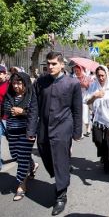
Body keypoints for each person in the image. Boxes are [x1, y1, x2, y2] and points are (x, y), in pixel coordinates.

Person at [27, 51, 82, 216]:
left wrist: (77, 132)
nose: (50, 67)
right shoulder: (40, 82)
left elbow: (77, 109)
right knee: (44, 153)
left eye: (53, 64)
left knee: (59, 159)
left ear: (62, 64)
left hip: (63, 126)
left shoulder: (72, 83)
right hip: (43, 126)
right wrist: (31, 129)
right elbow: (34, 107)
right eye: (48, 64)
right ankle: (62, 173)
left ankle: (61, 195)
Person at [4, 72, 38, 201]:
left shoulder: (31, 96)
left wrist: (22, 112)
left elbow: (35, 114)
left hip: (26, 132)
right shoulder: (9, 95)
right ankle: (32, 165)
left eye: (19, 83)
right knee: (15, 156)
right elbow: (6, 110)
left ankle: (21, 185)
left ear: (25, 83)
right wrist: (12, 110)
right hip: (11, 131)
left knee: (22, 158)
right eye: (13, 83)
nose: (16, 86)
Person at [85, 65, 109, 174]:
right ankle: (103, 153)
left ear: (107, 75)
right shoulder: (94, 86)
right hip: (97, 119)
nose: (101, 78)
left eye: (103, 75)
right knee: (98, 141)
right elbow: (87, 101)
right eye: (99, 76)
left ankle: (107, 165)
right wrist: (95, 96)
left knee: (108, 144)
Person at [72, 65, 93, 137]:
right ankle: (80, 133)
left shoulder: (86, 77)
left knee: (84, 117)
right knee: (78, 116)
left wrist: (85, 85)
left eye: (77, 71)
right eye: (75, 71)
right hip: (76, 98)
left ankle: (88, 126)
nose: (76, 72)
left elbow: (90, 87)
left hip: (85, 98)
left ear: (81, 70)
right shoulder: (73, 78)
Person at [0, 65, 9, 171]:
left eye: (1, 72)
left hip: (8, 119)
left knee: (15, 146)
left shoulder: (10, 85)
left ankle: (30, 164)